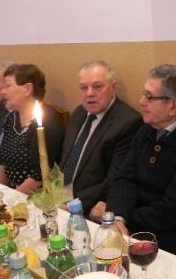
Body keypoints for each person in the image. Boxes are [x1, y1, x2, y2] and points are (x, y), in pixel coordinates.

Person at [93, 64, 176, 260]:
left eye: (149, 96)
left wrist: (121, 218)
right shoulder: (147, 129)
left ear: (173, 106)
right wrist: (118, 217)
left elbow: (172, 212)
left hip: (175, 242)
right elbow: (124, 178)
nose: (141, 101)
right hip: (134, 228)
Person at [60, 60, 141, 213]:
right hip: (58, 195)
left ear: (113, 87)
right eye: (84, 87)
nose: (89, 93)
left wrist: (71, 206)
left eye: (97, 86)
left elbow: (114, 180)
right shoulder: (79, 112)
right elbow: (65, 160)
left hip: (86, 206)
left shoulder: (128, 122)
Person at [0, 64, 64, 193]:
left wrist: (11, 197)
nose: (2, 91)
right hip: (12, 192)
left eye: (8, 86)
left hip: (36, 195)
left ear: (27, 89)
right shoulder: (11, 117)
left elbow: (41, 175)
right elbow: (4, 163)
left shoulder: (48, 120)